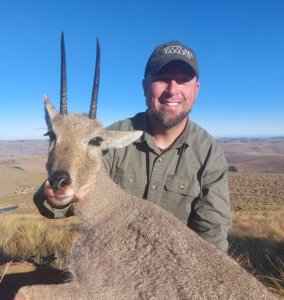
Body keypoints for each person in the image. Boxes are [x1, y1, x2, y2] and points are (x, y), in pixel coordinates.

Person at [34, 41, 232, 252]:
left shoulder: (209, 153)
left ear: (196, 89)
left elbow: (213, 234)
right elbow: (63, 191)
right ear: (145, 86)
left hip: (176, 268)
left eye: (183, 81)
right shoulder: (104, 138)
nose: (172, 90)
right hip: (114, 259)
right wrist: (59, 199)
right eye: (162, 79)